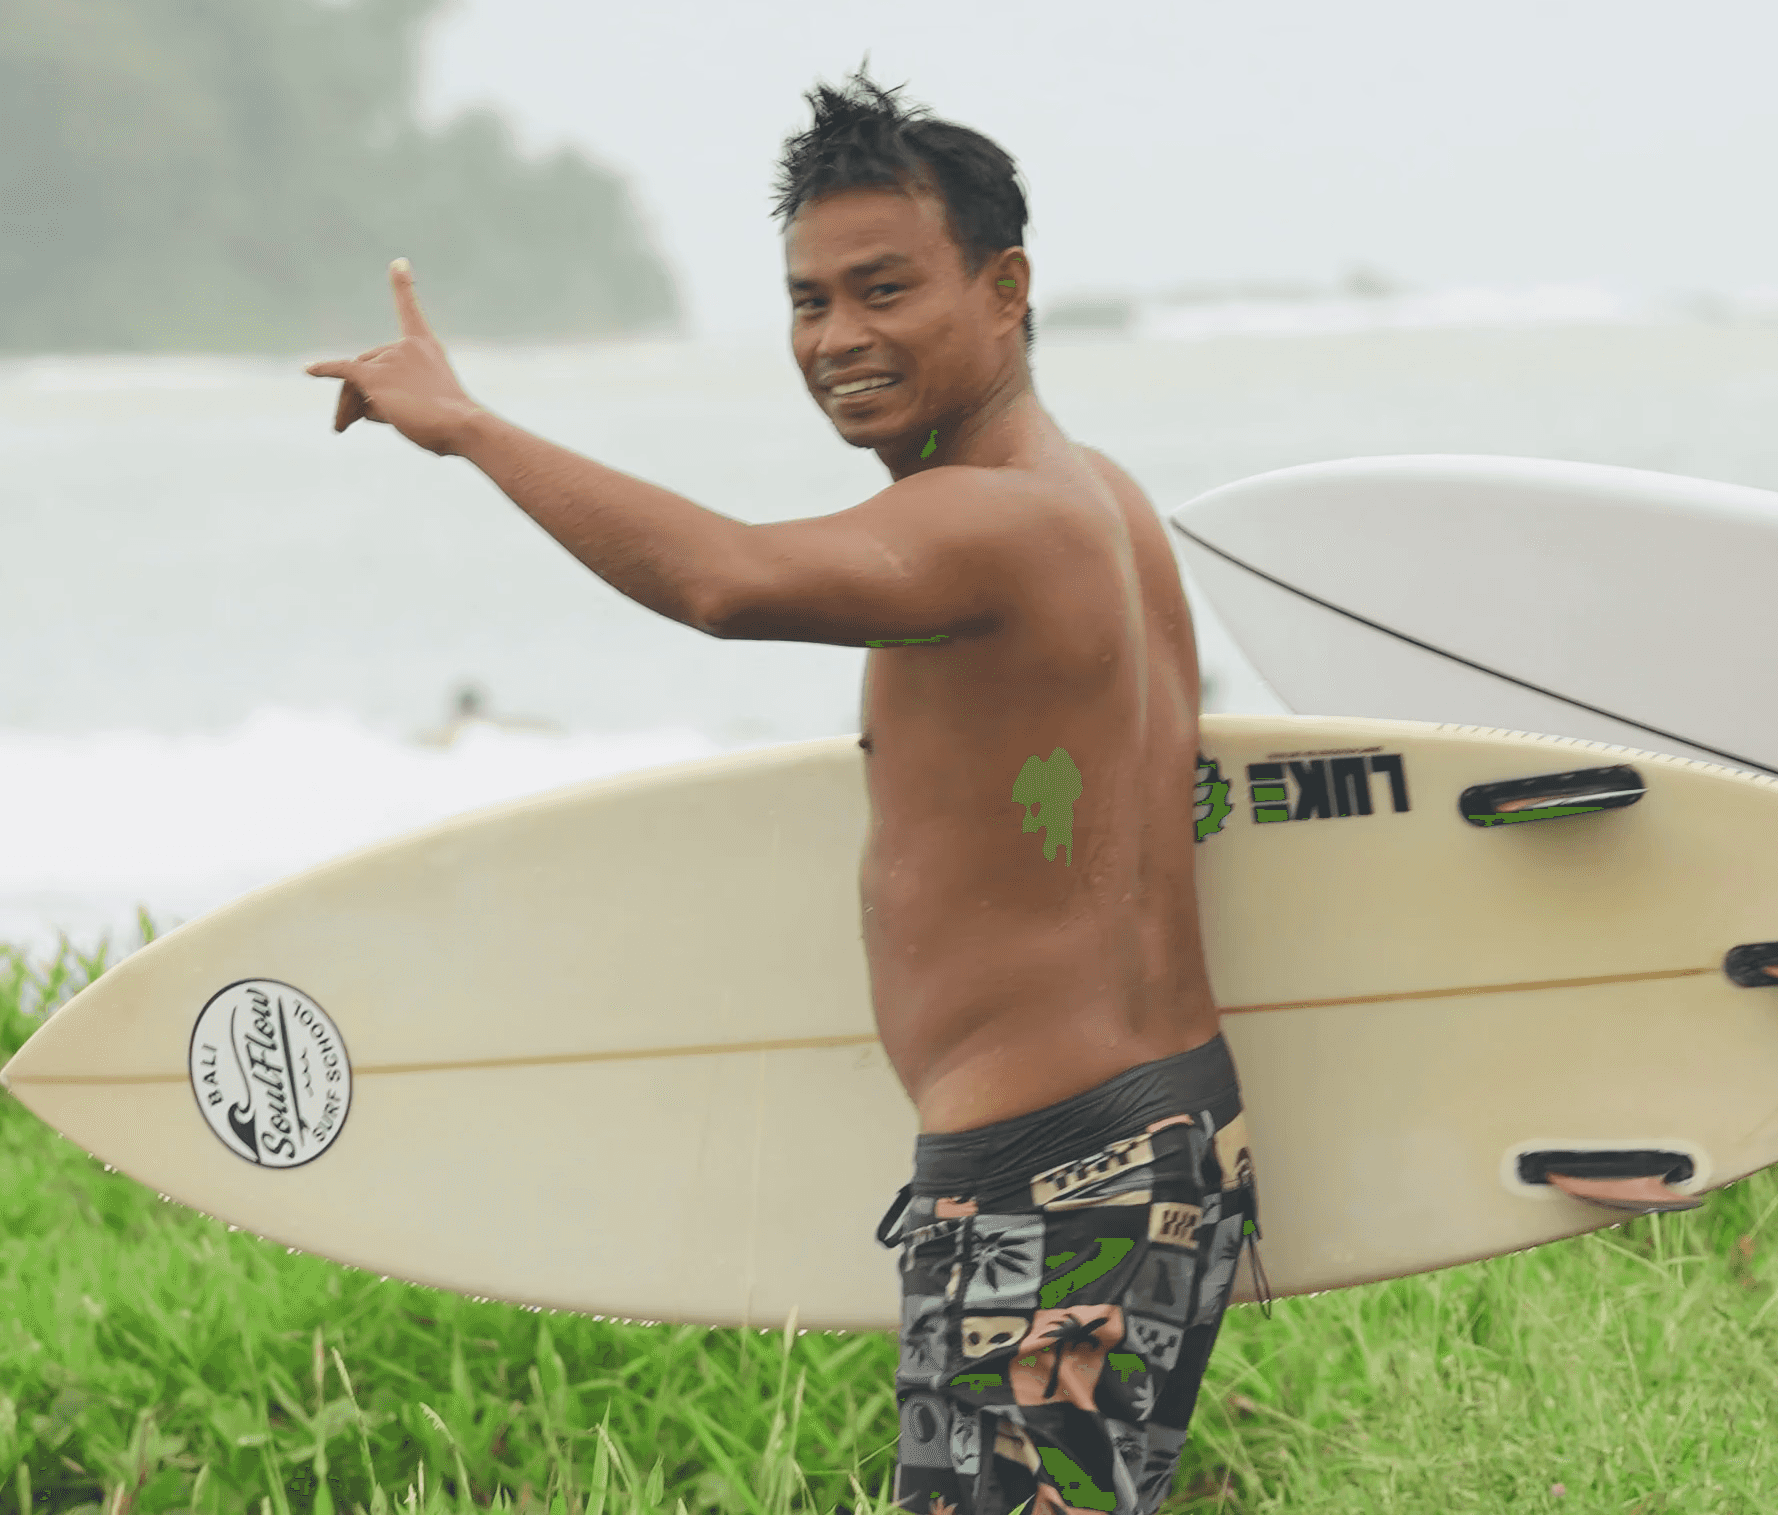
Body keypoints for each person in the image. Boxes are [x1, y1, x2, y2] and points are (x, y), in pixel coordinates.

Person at [310, 75, 1250, 1515]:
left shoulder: (988, 521)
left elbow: (724, 580)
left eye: (885, 290)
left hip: (1051, 1180)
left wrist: (471, 429)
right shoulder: (1099, 499)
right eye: (810, 301)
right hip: (1142, 1138)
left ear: (1005, 290)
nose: (839, 340)